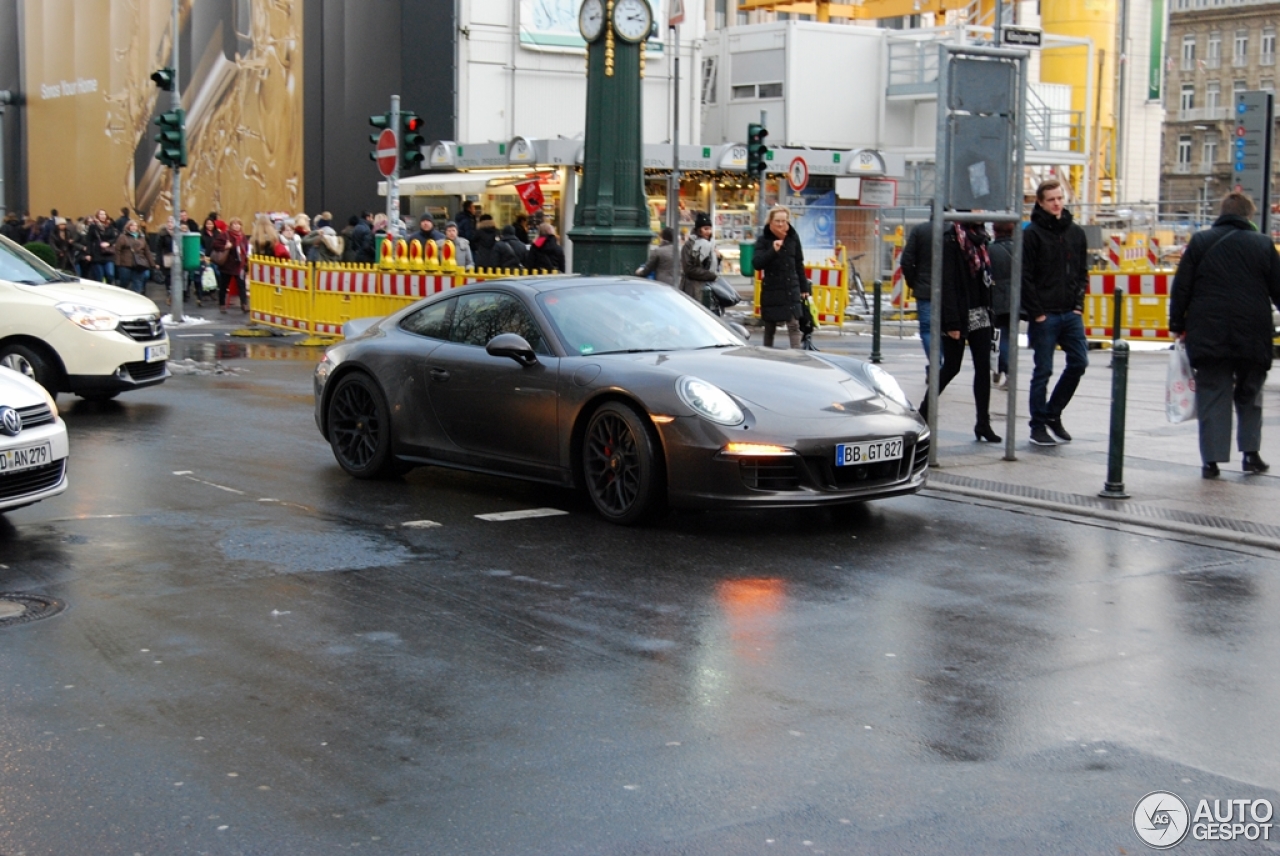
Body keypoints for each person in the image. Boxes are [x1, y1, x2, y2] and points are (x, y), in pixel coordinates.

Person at [1169, 191, 1280, 478]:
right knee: (1250, 392)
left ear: (1222, 213)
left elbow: (1182, 286)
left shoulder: (1201, 242)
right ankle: (1251, 454)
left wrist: (1176, 324)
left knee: (1213, 392)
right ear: (1248, 216)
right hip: (1252, 332)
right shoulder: (1263, 244)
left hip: (1208, 332)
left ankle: (1212, 461)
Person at [1021, 178, 1089, 447]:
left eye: (1060, 198)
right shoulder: (1033, 234)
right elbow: (1025, 276)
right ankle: (1037, 424)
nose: (1057, 203)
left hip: (1070, 313)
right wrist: (1037, 313)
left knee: (1079, 363)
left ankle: (1053, 413)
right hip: (1045, 314)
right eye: (1051, 199)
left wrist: (1078, 305)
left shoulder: (1075, 233)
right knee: (1043, 370)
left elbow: (1082, 271)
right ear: (1040, 202)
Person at [924, 219, 1000, 442]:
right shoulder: (950, 239)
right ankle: (922, 412)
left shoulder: (982, 238)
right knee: (952, 367)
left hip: (981, 312)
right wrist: (952, 323)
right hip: (958, 313)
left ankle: (983, 423)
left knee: (983, 368)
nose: (982, 213)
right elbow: (947, 283)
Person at [752, 206, 810, 349]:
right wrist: (773, 250)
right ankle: (767, 354)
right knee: (770, 327)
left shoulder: (793, 237)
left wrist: (804, 288)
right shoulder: (764, 239)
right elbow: (757, 263)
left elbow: (798, 263)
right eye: (777, 221)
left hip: (791, 287)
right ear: (770, 221)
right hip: (772, 289)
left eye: (783, 221)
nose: (780, 224)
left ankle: (796, 354)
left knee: (794, 324)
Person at [899, 209, 935, 366]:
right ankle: (940, 366)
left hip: (924, 289)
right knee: (947, 330)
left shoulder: (920, 231)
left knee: (927, 329)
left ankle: (936, 364)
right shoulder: (954, 231)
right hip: (949, 291)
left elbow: (906, 260)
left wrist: (914, 282)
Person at [987, 220, 1015, 389]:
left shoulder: (990, 250)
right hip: (1015, 297)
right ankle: (1007, 372)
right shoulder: (1019, 249)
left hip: (995, 296)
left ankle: (998, 367)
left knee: (996, 334)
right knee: (1008, 335)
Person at [212, 216, 250, 313]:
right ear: (231, 225)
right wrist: (225, 246)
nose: (237, 226)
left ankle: (244, 304)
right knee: (224, 285)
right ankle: (222, 304)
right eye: (234, 224)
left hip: (239, 265)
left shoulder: (243, 236)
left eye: (238, 224)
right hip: (227, 265)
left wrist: (245, 261)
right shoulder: (225, 235)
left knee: (241, 285)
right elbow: (215, 244)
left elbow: (245, 249)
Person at [680, 212, 719, 301]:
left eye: (710, 229)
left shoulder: (711, 244)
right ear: (698, 229)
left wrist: (719, 258)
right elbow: (689, 269)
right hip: (693, 289)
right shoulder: (689, 245)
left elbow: (711, 265)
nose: (708, 232)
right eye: (705, 229)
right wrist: (710, 275)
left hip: (710, 288)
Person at [113, 219, 156, 294]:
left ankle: (136, 297)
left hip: (139, 264)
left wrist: (152, 263)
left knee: (138, 283)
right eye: (132, 225)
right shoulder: (123, 237)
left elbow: (147, 251)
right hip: (125, 264)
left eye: (135, 226)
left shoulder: (141, 238)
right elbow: (117, 250)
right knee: (124, 282)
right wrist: (117, 263)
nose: (134, 227)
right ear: (128, 227)